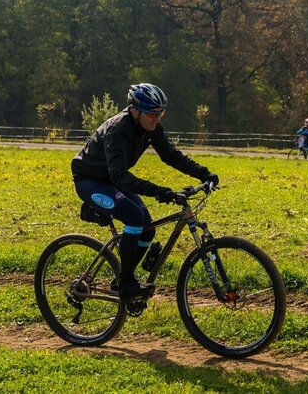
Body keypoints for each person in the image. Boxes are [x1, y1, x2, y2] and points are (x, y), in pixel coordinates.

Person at [71, 83, 219, 299]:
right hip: (90, 181)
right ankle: (126, 282)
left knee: (147, 229)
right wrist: (157, 191)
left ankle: (120, 279)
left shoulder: (151, 128)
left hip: (112, 180)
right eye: (152, 114)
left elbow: (171, 155)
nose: (157, 118)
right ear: (135, 111)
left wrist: (204, 174)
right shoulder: (118, 130)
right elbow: (119, 176)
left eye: (161, 113)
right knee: (134, 217)